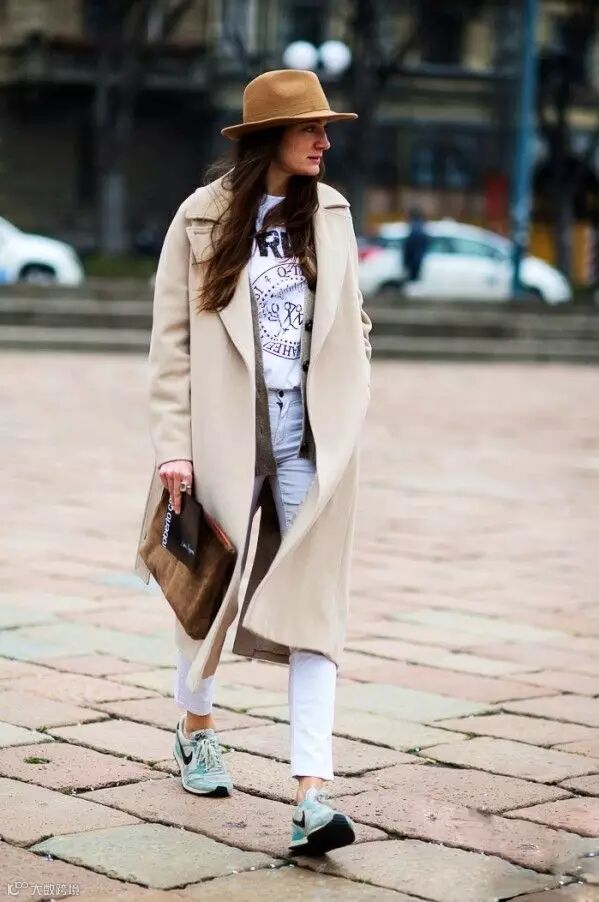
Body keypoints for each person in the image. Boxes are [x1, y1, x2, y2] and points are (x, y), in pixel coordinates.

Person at [133, 69, 372, 856]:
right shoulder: (201, 218)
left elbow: (351, 318)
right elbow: (171, 343)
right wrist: (174, 445)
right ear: (273, 137)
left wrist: (354, 388)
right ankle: (196, 727)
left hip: (309, 441)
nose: (324, 142)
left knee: (316, 605)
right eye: (311, 129)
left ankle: (311, 794)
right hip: (221, 437)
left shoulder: (329, 214)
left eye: (325, 129)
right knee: (208, 592)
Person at [403, 207, 430, 282]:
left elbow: (414, 253)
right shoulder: (420, 228)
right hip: (416, 264)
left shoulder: (415, 230)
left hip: (414, 266)